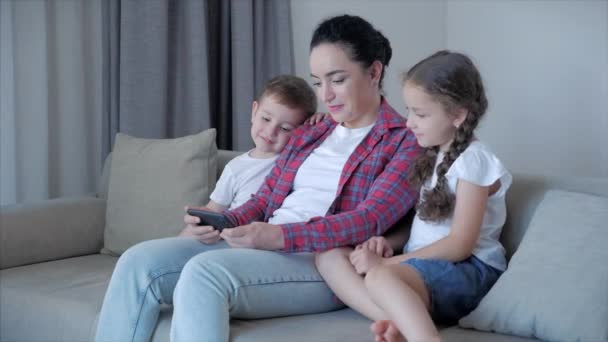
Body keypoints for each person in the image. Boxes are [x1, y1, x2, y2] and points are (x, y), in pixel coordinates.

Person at [95, 14, 421, 342]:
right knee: (138, 261)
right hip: (266, 248)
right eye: (318, 82)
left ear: (374, 72)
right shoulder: (314, 131)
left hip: (323, 263)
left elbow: (369, 219)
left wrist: (277, 236)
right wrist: (220, 221)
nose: (326, 95)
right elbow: (265, 199)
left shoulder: (404, 141)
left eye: (337, 80)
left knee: (204, 274)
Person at [316, 50, 512, 342]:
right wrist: (388, 244)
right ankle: (401, 320)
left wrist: (388, 264)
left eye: (420, 114)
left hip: (470, 271)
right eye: (409, 111)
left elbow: (460, 245)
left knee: (380, 276)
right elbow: (428, 222)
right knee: (330, 256)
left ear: (458, 115)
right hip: (425, 267)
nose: (409, 123)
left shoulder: (474, 160)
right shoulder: (433, 154)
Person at [195, 75, 318, 214]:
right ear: (254, 111)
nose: (270, 132)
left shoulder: (301, 159)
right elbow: (213, 211)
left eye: (285, 128)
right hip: (235, 232)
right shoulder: (235, 168)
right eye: (266, 119)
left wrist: (321, 121)